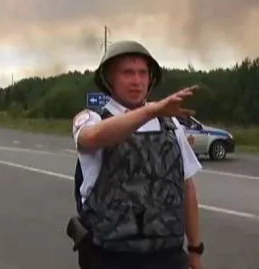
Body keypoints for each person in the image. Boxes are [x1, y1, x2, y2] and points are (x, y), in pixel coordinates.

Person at [67, 40, 204, 269]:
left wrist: (195, 250)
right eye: (127, 73)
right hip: (111, 258)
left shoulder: (170, 125)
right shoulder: (92, 119)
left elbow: (186, 187)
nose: (137, 81)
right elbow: (90, 138)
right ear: (110, 78)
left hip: (168, 257)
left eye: (142, 73)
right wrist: (150, 110)